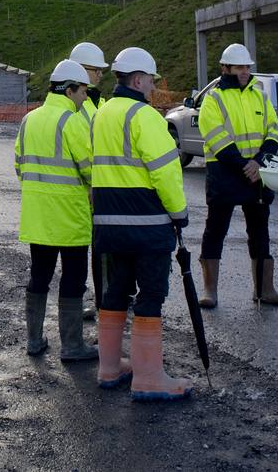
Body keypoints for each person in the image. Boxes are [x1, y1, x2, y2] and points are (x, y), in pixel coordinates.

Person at [92, 47, 192, 401]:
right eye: (150, 78)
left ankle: (108, 368)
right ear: (138, 79)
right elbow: (166, 173)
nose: (153, 85)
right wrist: (180, 213)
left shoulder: (102, 114)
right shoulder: (145, 117)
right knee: (151, 294)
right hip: (147, 224)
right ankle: (149, 377)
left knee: (116, 290)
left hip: (108, 222)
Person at [13, 59, 97, 363]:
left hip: (38, 216)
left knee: (40, 275)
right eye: (83, 91)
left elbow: (19, 165)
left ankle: (34, 340)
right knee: (73, 279)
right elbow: (90, 169)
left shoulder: (29, 120)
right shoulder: (72, 121)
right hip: (70, 215)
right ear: (70, 90)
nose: (86, 97)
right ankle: (73, 346)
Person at [196, 43, 278, 309]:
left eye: (247, 67)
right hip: (226, 171)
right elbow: (215, 136)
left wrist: (259, 161)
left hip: (256, 172)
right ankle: (209, 290)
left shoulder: (259, 96)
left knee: (260, 231)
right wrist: (245, 165)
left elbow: (273, 130)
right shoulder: (213, 99)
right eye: (239, 67)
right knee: (216, 229)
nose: (245, 71)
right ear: (225, 68)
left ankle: (265, 289)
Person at [68, 40, 110, 319]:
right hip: (81, 190)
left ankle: (103, 300)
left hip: (98, 187)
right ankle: (88, 302)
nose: (100, 75)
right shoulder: (73, 107)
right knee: (79, 252)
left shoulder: (100, 103)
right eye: (96, 70)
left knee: (101, 249)